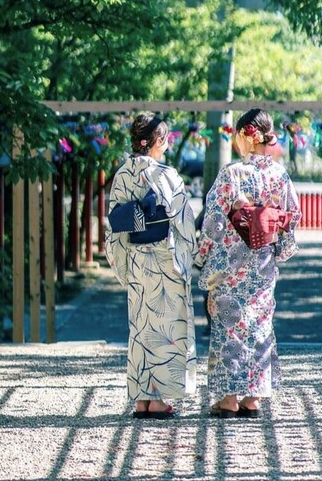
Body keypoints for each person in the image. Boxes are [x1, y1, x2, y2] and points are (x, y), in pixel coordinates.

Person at [196, 108, 301, 419]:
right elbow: (291, 216)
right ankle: (253, 397)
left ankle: (228, 397)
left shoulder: (231, 175)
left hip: (229, 265)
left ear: (245, 136)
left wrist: (202, 254)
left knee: (229, 327)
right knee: (258, 324)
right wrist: (278, 249)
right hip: (262, 265)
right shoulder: (279, 175)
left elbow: (213, 221)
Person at [105, 112, 197, 420]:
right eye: (166, 140)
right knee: (167, 328)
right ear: (156, 142)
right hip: (163, 260)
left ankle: (142, 398)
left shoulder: (121, 175)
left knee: (141, 328)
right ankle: (159, 400)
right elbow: (183, 223)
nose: (168, 145)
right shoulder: (166, 176)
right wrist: (188, 260)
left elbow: (114, 226)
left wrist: (122, 266)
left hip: (136, 259)